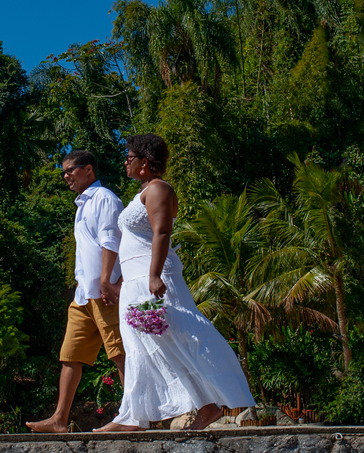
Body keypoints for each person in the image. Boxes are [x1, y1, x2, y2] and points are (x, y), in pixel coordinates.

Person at [96, 134, 255, 432]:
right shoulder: (142, 192)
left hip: (152, 276)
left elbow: (162, 233)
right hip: (134, 280)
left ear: (144, 162)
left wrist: (154, 275)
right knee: (144, 346)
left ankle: (137, 418)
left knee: (181, 336)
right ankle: (190, 409)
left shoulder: (159, 189)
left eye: (129, 157)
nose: (125, 162)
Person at [26, 150, 126, 433]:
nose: (66, 176)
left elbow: (111, 240)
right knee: (71, 355)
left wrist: (107, 281)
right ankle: (59, 419)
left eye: (71, 170)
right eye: (64, 172)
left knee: (119, 354)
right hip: (84, 295)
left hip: (104, 293)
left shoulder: (104, 198)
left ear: (89, 170)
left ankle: (133, 415)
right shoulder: (82, 205)